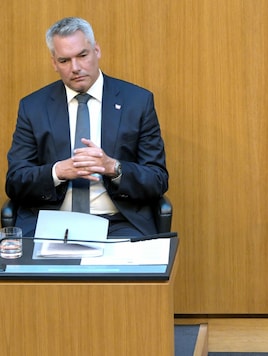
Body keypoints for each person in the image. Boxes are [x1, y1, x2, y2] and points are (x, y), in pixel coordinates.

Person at [6, 17, 168, 237]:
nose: (76, 68)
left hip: (118, 223)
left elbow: (157, 179)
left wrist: (114, 167)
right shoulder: (33, 107)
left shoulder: (137, 102)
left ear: (96, 51)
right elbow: (15, 181)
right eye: (64, 60)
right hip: (50, 224)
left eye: (82, 56)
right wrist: (57, 172)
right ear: (54, 63)